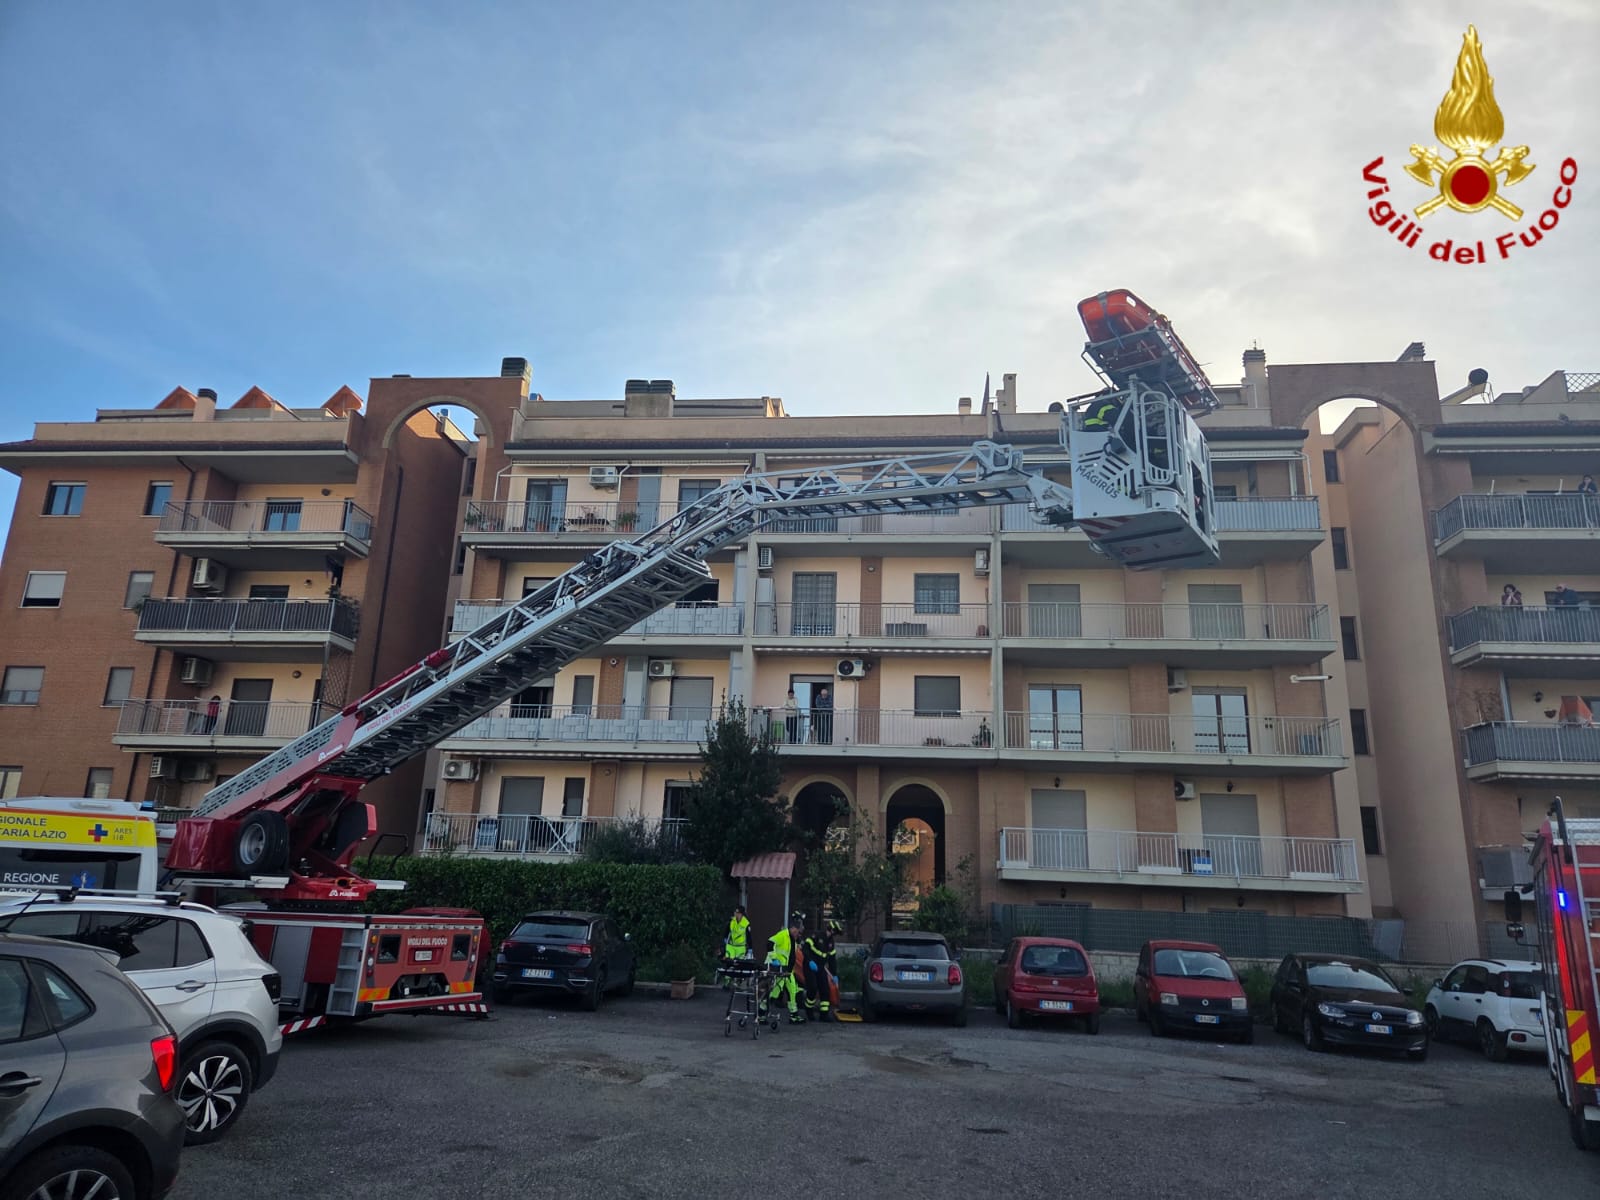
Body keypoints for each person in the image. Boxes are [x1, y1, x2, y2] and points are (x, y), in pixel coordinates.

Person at [762, 912, 806, 1024]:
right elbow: (770, 942)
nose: (798, 934)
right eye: (797, 932)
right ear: (793, 929)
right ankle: (761, 1013)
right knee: (773, 993)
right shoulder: (783, 935)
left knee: (792, 991)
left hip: (787, 971)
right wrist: (773, 958)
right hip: (778, 970)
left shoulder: (793, 939)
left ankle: (794, 1015)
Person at [801, 918, 841, 1022]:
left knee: (825, 989)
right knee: (813, 988)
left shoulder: (831, 942)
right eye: (835, 932)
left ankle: (824, 1015)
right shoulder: (816, 935)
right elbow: (805, 948)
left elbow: (832, 959)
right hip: (810, 966)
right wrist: (810, 961)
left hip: (820, 967)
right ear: (831, 929)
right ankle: (808, 1009)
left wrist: (834, 974)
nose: (835, 934)